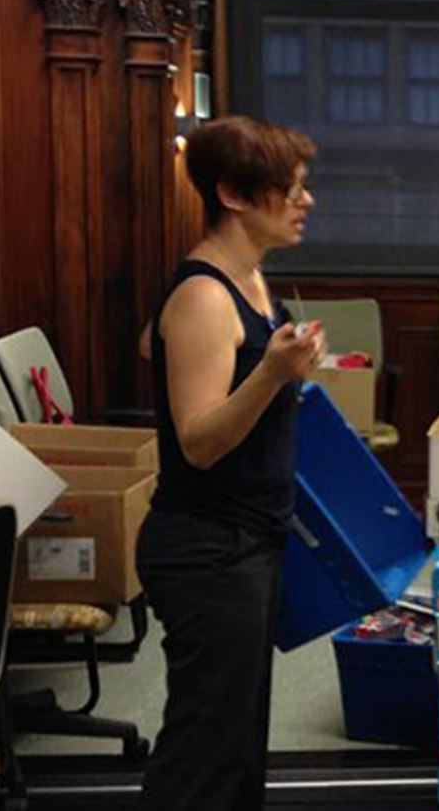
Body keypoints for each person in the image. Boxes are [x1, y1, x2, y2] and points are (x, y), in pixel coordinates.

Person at [134, 116, 325, 811]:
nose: (306, 202)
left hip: (246, 538)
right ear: (235, 195)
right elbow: (200, 441)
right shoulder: (207, 293)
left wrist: (272, 367)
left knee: (237, 744)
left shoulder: (246, 276)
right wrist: (271, 374)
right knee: (202, 752)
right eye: (291, 189)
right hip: (208, 549)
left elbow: (153, 346)